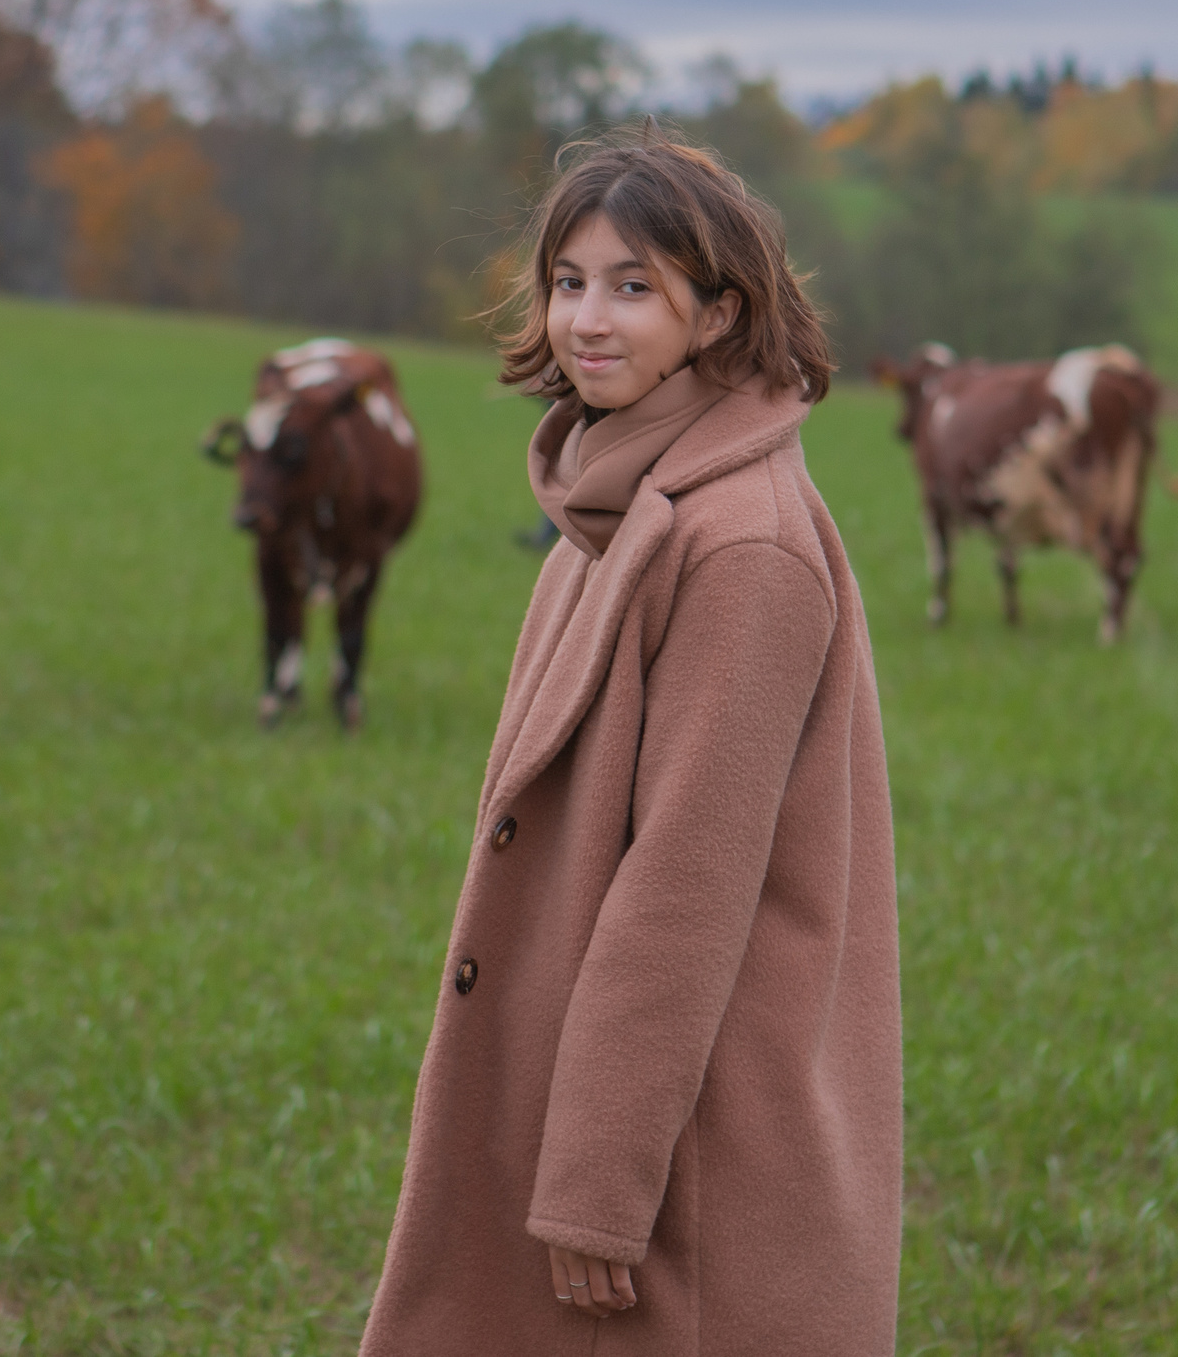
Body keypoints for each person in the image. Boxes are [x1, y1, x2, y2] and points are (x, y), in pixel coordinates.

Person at [359, 132, 902, 1356]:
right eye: (568, 282)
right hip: (586, 1082)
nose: (586, 320)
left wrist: (598, 1185)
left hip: (685, 1144)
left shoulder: (739, 546)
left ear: (719, 314)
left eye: (632, 286)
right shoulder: (611, 508)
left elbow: (685, 888)